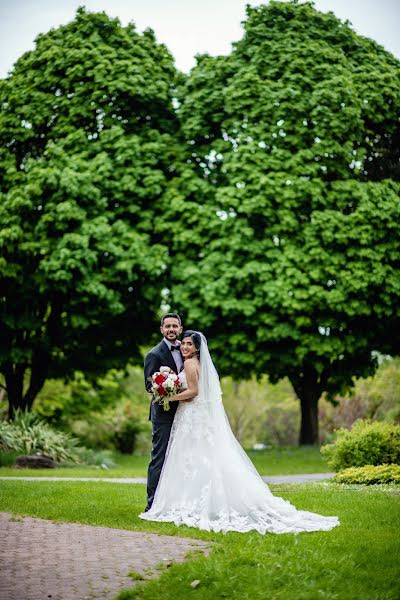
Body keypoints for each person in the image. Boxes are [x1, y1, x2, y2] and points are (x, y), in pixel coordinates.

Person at [140, 330, 339, 534]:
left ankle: (190, 502)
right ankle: (199, 500)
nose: (185, 347)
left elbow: (193, 393)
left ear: (197, 348)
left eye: (189, 345)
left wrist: (167, 398)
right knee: (200, 458)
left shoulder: (190, 364)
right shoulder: (195, 363)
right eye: (184, 344)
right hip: (193, 416)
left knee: (192, 458)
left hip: (192, 416)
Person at [143, 313, 193, 512]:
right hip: (163, 415)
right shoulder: (154, 355)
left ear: (180, 328)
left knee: (181, 458)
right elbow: (149, 387)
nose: (171, 329)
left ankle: (178, 502)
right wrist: (170, 389)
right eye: (168, 326)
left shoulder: (187, 349)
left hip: (185, 413)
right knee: (160, 458)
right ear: (162, 329)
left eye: (175, 326)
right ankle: (152, 504)